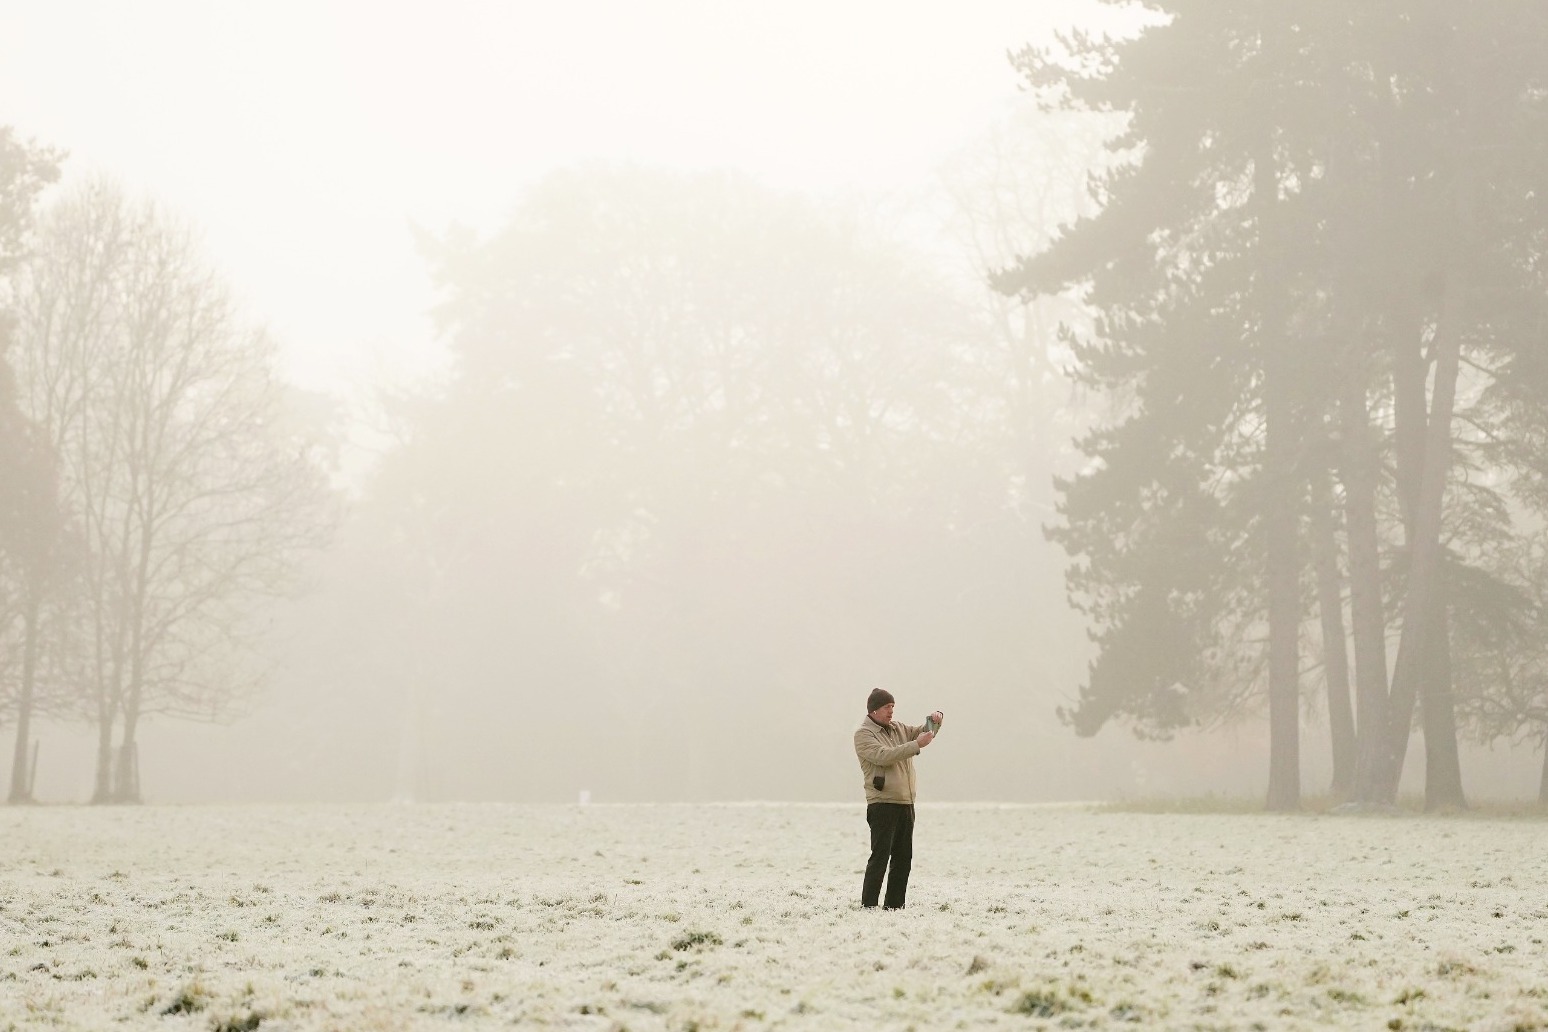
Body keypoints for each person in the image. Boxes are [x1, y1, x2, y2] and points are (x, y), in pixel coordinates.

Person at [853, 688, 943, 909]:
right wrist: (916, 745)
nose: (891, 711)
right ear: (874, 709)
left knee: (903, 859)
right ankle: (869, 906)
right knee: (880, 857)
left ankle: (894, 906)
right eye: (887, 707)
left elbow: (923, 732)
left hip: (905, 802)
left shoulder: (899, 728)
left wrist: (934, 721)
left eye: (893, 706)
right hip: (882, 803)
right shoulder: (863, 734)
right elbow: (883, 756)